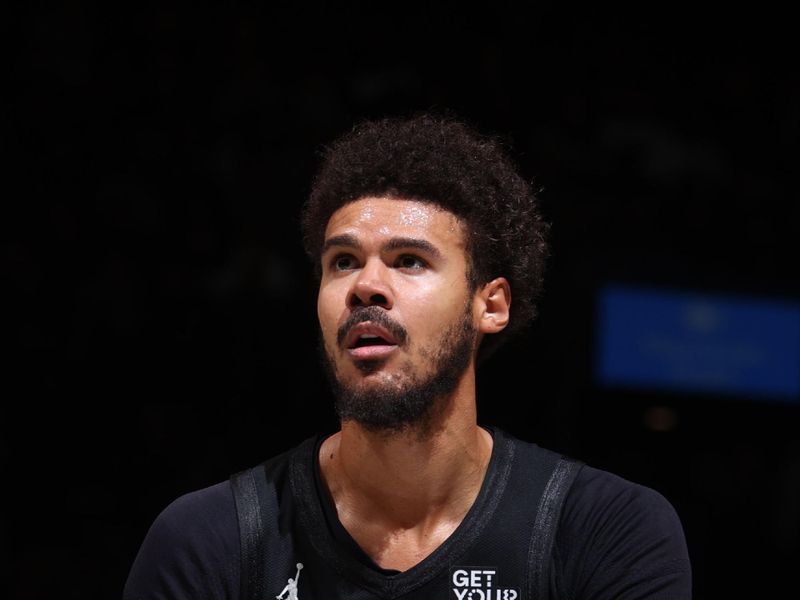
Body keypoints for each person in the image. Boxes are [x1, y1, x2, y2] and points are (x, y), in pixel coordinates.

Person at [123, 113, 692, 599]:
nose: (366, 285)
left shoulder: (605, 531)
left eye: (409, 261)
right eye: (342, 261)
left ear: (489, 304)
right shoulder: (207, 541)